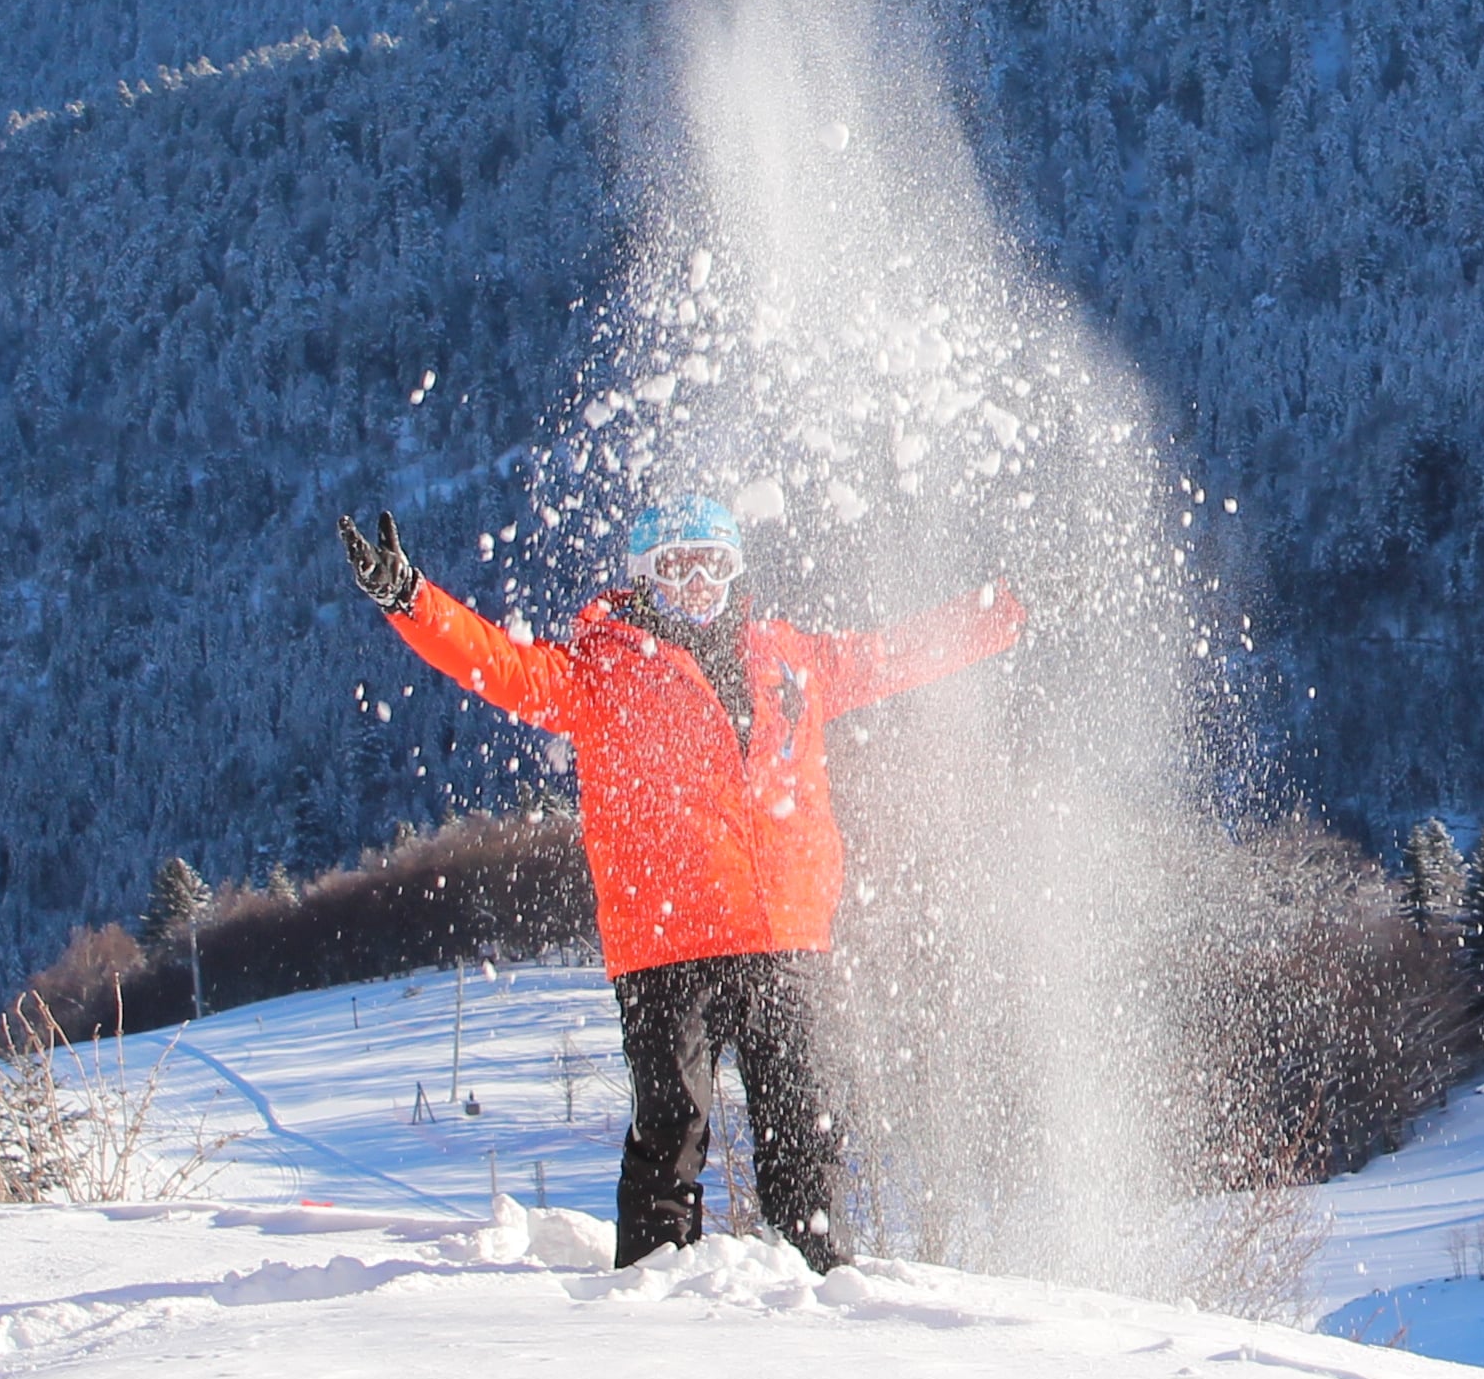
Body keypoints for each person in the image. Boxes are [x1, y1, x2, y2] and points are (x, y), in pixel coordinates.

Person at [335, 493, 1024, 1268]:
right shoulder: (601, 668)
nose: (697, 585)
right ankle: (659, 1298)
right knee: (672, 1130)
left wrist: (1005, 610)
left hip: (784, 937)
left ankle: (822, 1289)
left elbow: (891, 654)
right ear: (644, 579)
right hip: (667, 946)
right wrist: (410, 599)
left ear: (735, 573)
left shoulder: (789, 658)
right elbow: (502, 668)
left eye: (713, 567)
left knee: (805, 1133)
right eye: (676, 570)